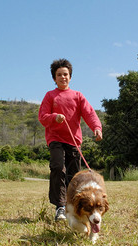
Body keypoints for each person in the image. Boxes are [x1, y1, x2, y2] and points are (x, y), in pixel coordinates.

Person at [38, 58, 102, 221]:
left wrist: (97, 127)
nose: (63, 77)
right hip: (55, 139)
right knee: (58, 168)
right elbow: (42, 117)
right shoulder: (50, 96)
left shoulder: (78, 96)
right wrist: (54, 117)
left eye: (65, 74)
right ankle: (60, 207)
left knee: (74, 176)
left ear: (70, 77)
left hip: (74, 142)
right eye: (59, 75)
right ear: (54, 78)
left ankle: (73, 207)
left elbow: (89, 113)